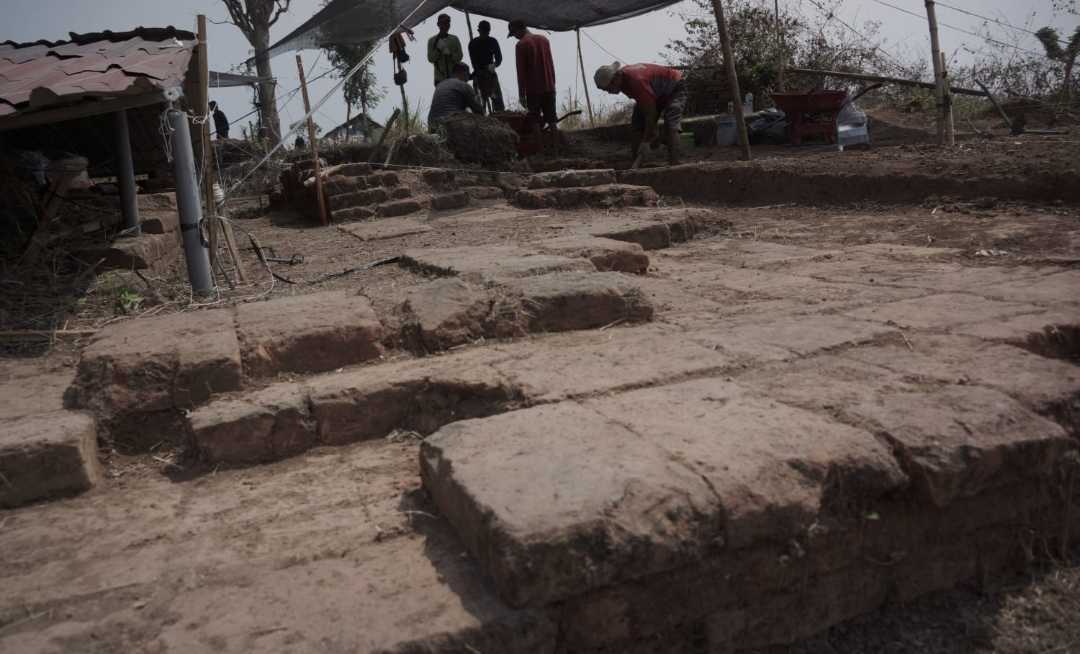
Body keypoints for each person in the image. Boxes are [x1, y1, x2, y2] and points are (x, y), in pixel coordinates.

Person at [595, 62, 687, 165]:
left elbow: (650, 113)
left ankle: (675, 162)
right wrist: (651, 132)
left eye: (608, 88)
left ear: (616, 78)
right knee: (637, 124)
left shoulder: (635, 81)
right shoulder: (623, 82)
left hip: (674, 86)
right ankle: (637, 163)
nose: (608, 92)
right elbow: (646, 105)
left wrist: (646, 141)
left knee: (671, 122)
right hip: (655, 93)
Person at [508, 19, 556, 129]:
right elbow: (551, 64)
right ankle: (556, 140)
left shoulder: (521, 45)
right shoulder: (544, 40)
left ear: (519, 30)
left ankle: (538, 141)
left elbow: (521, 72)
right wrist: (553, 84)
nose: (515, 37)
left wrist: (521, 95)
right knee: (552, 121)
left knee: (535, 122)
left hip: (533, 90)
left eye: (514, 33)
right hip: (549, 87)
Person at [427, 63, 484, 130]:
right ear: (464, 73)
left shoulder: (440, 85)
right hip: (450, 123)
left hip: (432, 125)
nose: (468, 79)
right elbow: (479, 111)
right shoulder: (464, 86)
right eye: (468, 75)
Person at [468, 20, 505, 113]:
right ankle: (480, 117)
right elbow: (474, 62)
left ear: (489, 31)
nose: (485, 33)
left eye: (486, 31)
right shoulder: (473, 43)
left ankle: (500, 116)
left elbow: (499, 58)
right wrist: (479, 72)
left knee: (498, 102)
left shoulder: (492, 41)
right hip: (478, 75)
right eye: (483, 31)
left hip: (490, 74)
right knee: (479, 104)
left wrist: (494, 65)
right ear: (479, 31)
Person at [427, 14, 463, 86]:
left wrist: (450, 55)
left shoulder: (454, 39)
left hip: (454, 77)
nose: (446, 24)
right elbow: (431, 59)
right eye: (443, 22)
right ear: (438, 24)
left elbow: (460, 56)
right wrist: (438, 50)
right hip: (440, 78)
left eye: (448, 22)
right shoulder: (432, 41)